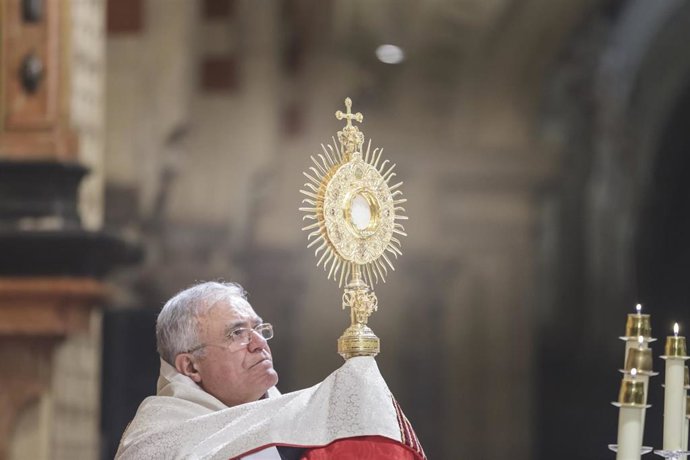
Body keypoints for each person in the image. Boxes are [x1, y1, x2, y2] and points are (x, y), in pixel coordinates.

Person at [116, 281, 425, 460]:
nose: (258, 343)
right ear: (191, 366)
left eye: (258, 328)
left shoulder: (293, 430)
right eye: (237, 333)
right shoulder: (154, 443)